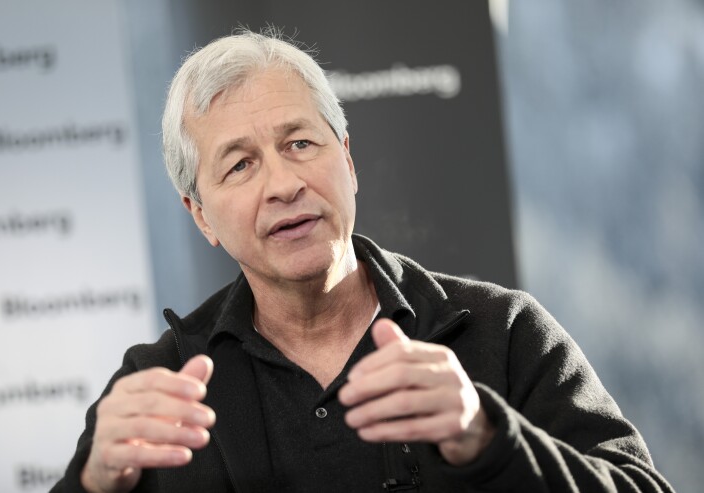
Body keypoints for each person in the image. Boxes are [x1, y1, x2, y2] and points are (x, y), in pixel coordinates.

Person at [52, 29, 674, 493]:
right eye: (240, 165)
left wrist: (488, 437)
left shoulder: (502, 330)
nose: (284, 183)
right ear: (201, 215)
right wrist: (93, 483)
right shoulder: (160, 383)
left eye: (300, 143)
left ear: (347, 160)